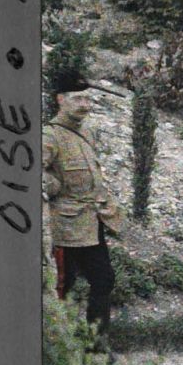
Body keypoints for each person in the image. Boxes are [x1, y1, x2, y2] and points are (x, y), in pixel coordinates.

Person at [41, 72, 124, 334]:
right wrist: (53, 185)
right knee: (61, 287)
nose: (84, 104)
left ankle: (95, 347)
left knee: (104, 280)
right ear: (61, 100)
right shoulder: (50, 136)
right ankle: (52, 349)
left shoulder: (85, 132)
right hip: (65, 228)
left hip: (91, 224)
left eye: (87, 99)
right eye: (77, 99)